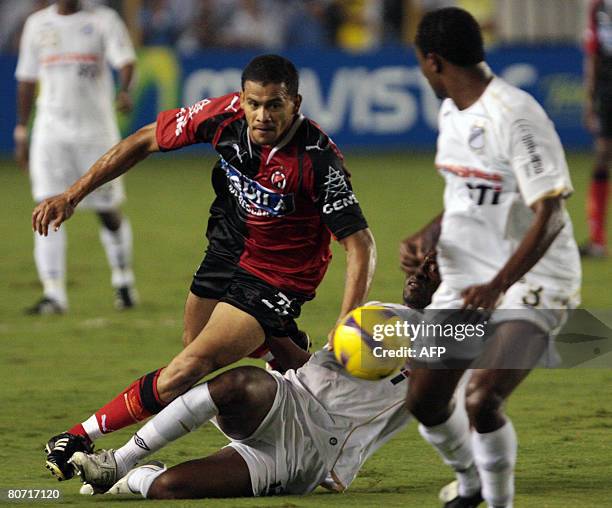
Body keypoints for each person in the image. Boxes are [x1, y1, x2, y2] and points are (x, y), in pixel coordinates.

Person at [34, 54, 376, 481]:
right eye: (254, 103)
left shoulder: (318, 161)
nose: (262, 115)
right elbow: (144, 139)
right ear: (243, 98)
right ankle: (290, 361)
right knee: (195, 346)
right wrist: (73, 194)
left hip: (279, 274)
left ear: (296, 103)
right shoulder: (223, 116)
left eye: (274, 105)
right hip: (228, 247)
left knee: (188, 368)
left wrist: (347, 321)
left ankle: (85, 441)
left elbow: (360, 245)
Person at [402, 8, 581, 508]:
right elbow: (465, 196)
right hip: (469, 278)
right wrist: (427, 237)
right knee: (426, 399)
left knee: (481, 399)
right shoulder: (451, 113)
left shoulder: (515, 114)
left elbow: (549, 211)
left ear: (433, 61)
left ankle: (498, 501)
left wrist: (500, 283)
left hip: (534, 282)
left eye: (420, 63)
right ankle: (471, 482)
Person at [15, 0, 138, 314]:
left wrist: (124, 89)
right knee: (46, 206)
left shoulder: (103, 20)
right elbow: (26, 79)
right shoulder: (37, 24)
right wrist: (21, 130)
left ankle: (123, 281)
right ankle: (54, 294)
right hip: (50, 132)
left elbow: (125, 60)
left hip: (95, 133)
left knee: (107, 211)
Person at [582, 0, 612, 258]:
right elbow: (592, 54)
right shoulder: (598, 8)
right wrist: (590, 99)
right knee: (602, 155)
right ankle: (597, 239)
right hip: (606, 87)